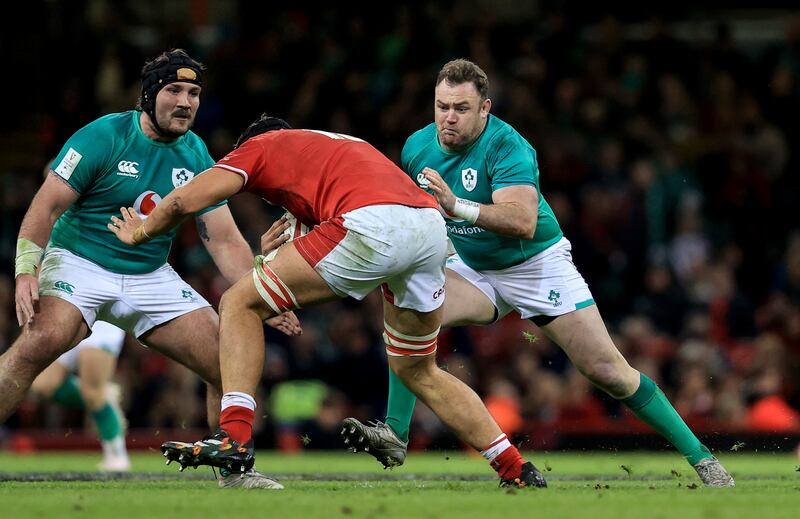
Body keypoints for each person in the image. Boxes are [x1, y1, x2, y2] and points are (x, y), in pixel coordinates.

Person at [339, 59, 735, 487]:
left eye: (461, 108)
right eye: (442, 106)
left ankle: (703, 459)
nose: (449, 117)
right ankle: (395, 433)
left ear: (485, 109)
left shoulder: (507, 146)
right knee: (407, 300)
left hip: (536, 265)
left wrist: (456, 206)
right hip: (472, 266)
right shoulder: (417, 147)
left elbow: (522, 221)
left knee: (607, 372)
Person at [109, 115, 548, 489]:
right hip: (429, 228)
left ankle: (234, 438)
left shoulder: (260, 147)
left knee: (238, 303)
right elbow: (324, 225)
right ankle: (515, 468)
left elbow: (185, 199)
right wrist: (270, 263)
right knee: (419, 369)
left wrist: (141, 231)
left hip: (372, 222)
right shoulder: (333, 145)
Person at [2, 49, 299, 489]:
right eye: (174, 90)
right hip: (80, 263)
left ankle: (234, 473)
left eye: (193, 93)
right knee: (40, 342)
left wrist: (262, 292)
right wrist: (27, 270)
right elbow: (45, 207)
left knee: (230, 361)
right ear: (148, 95)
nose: (185, 102)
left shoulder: (196, 153)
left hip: (149, 275)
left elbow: (222, 238)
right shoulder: (104, 136)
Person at [30, 320, 130, 471]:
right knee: (42, 384)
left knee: (92, 394)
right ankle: (104, 398)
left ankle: (117, 454)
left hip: (102, 320)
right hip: (70, 317)